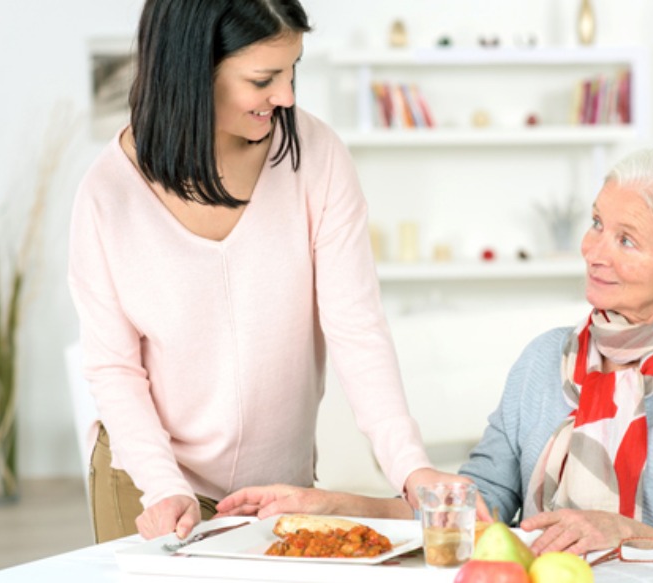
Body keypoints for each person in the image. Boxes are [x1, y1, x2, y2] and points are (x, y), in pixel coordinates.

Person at [217, 145, 653, 555]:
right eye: (597, 224)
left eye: (625, 239)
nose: (594, 252)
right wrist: (334, 507)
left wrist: (625, 531)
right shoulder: (544, 359)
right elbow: (474, 508)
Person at [67, 0, 469, 543]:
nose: (287, 96)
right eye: (263, 79)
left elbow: (356, 327)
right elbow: (114, 367)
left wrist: (408, 468)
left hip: (278, 492)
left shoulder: (317, 158)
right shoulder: (107, 194)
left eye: (292, 70)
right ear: (192, 70)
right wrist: (164, 487)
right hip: (148, 483)